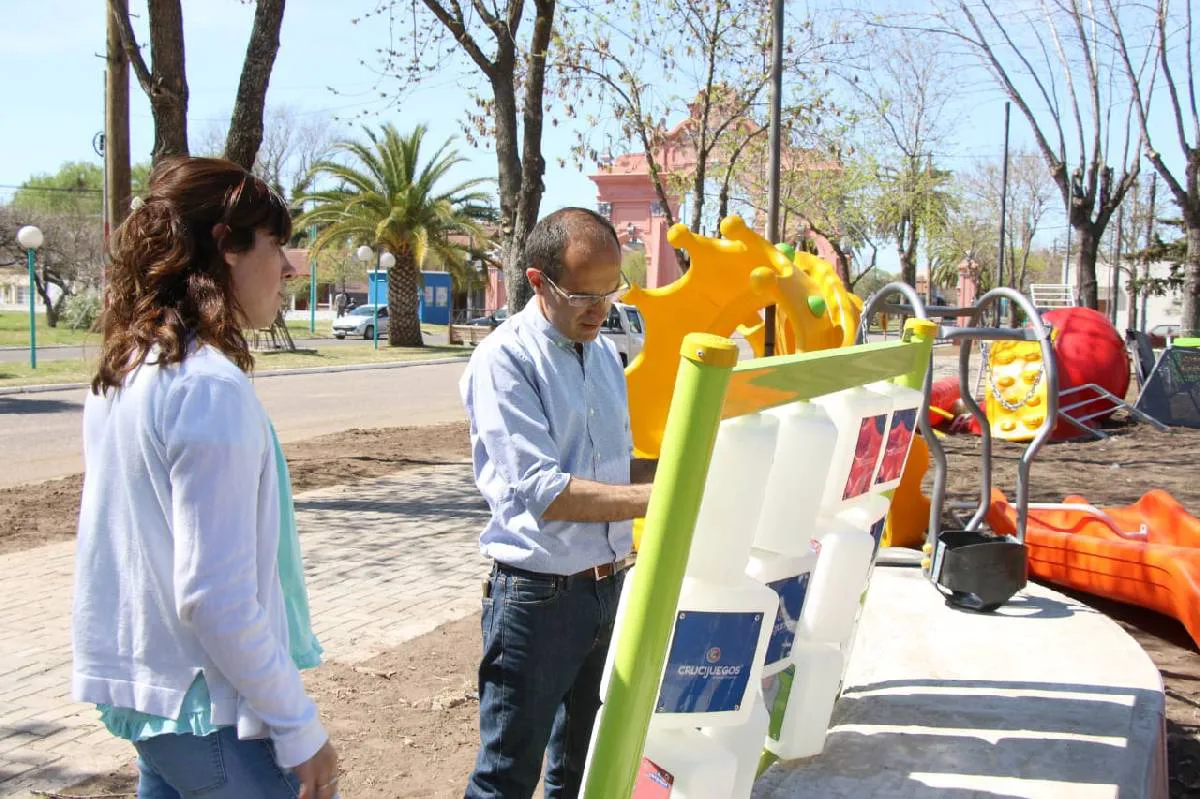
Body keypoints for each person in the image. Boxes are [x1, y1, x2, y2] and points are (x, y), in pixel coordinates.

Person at [72, 157, 340, 799]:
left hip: (158, 705)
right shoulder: (207, 387)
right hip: (211, 713)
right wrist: (299, 727)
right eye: (274, 244)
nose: (289, 267)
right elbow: (215, 596)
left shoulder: (130, 369)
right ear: (226, 247)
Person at [460, 207, 656, 798]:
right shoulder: (505, 360)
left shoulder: (601, 354)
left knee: (582, 771)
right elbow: (546, 491)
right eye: (583, 295)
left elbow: (611, 471)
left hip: (607, 587)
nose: (602, 309)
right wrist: (661, 497)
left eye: (611, 290)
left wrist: (694, 466)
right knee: (506, 778)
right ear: (539, 280)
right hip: (537, 599)